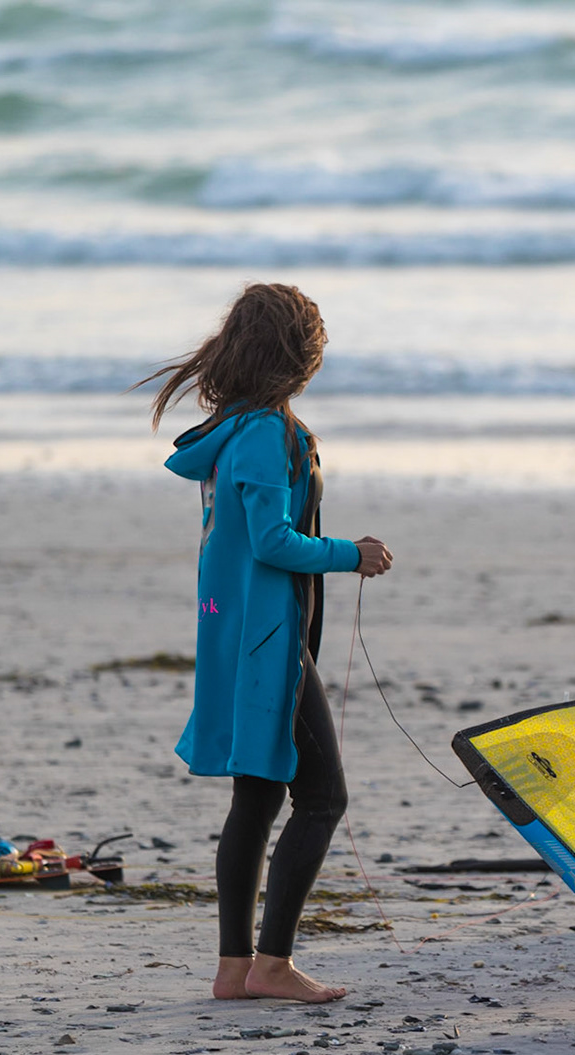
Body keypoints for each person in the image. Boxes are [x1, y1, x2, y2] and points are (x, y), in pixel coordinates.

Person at [141, 283, 393, 1003]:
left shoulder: (239, 428)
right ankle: (272, 963)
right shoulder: (259, 435)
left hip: (239, 630)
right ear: (300, 356)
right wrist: (351, 554)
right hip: (265, 639)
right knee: (322, 799)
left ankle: (234, 969)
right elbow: (271, 542)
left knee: (255, 799)